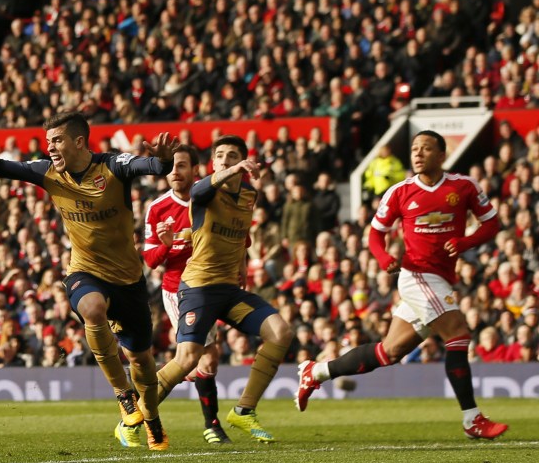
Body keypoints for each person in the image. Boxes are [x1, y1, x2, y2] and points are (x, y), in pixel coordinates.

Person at [0, 111, 177, 450]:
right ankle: (123, 394)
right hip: (84, 271)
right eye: (48, 142)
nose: (51, 147)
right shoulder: (48, 172)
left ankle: (151, 419)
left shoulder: (113, 167)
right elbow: (4, 166)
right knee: (92, 308)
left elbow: (150, 167)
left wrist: (162, 161)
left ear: (79, 141)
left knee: (143, 362)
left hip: (129, 280)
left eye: (57, 140)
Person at [296, 130, 508, 440]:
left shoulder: (463, 187)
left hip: (441, 277)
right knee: (458, 332)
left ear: (442, 155)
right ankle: (471, 418)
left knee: (389, 351)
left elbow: (492, 223)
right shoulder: (400, 191)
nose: (418, 154)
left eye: (425, 148)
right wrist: (383, 259)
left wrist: (465, 242)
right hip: (417, 275)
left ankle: (315, 372)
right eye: (414, 149)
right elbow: (374, 233)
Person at [135, 135, 294, 445]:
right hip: (191, 289)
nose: (224, 160)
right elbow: (151, 259)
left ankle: (240, 413)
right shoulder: (193, 195)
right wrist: (167, 246)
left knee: (276, 335)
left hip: (226, 288)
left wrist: (244, 263)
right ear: (210, 165)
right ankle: (139, 415)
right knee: (194, 360)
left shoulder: (248, 194)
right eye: (219, 156)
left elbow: (240, 233)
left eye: (232, 155)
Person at [141, 145, 232, 446]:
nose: (174, 173)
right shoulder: (157, 208)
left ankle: (139, 411)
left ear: (196, 170)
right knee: (201, 357)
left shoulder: (209, 198)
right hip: (178, 290)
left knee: (206, 359)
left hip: (211, 285)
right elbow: (151, 259)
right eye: (170, 167)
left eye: (180, 166)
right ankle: (212, 425)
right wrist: (166, 245)